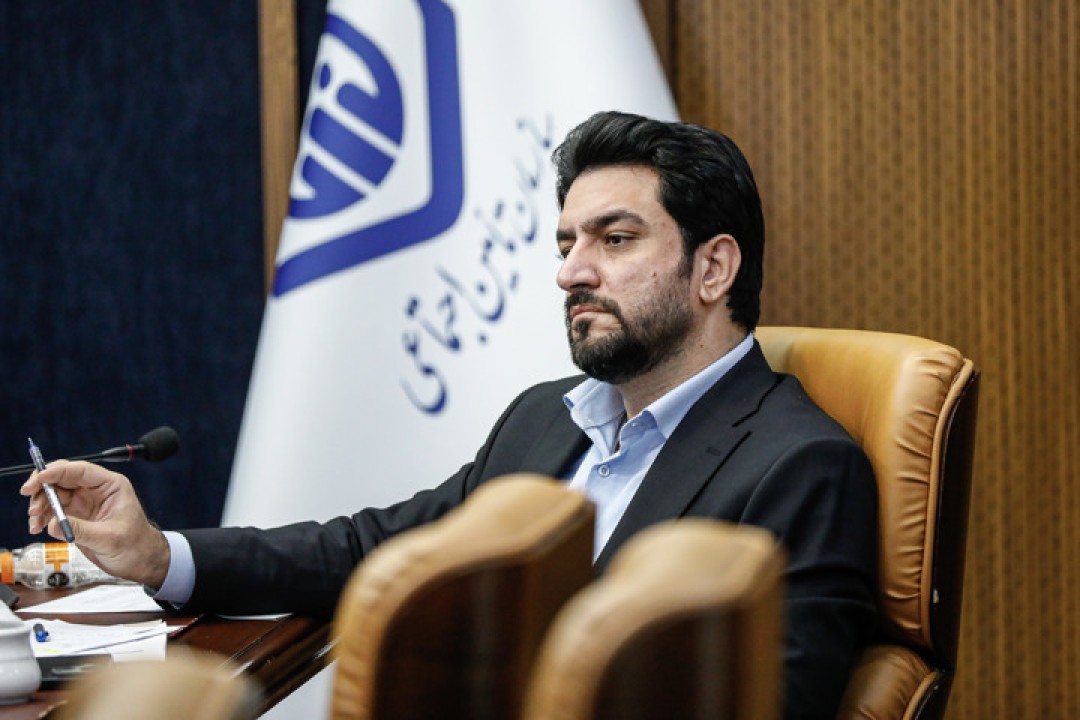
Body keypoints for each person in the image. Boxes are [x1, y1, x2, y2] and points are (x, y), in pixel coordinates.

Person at [22, 111, 877, 718]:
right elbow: (373, 549)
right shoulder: (545, 419)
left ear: (714, 268)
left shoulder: (800, 464)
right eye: (566, 244)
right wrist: (159, 553)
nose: (570, 272)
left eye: (614, 240)